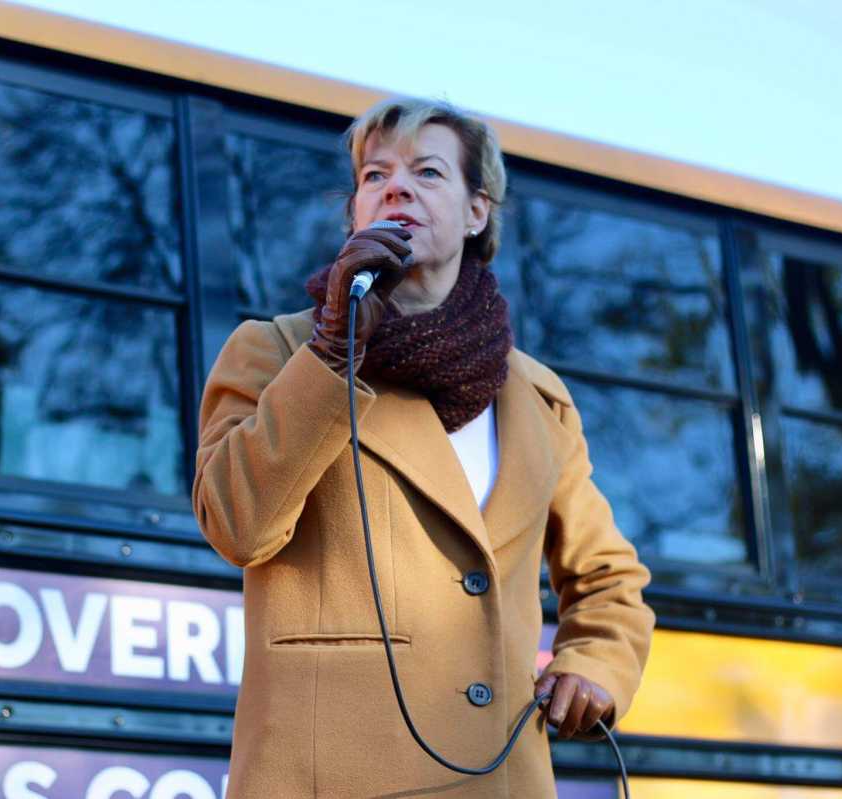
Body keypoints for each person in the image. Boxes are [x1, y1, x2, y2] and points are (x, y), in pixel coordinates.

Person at [192, 97, 654, 798]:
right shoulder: (276, 351)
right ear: (355, 213)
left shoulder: (537, 398)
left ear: (477, 212)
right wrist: (332, 351)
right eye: (374, 175)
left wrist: (595, 663)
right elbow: (236, 525)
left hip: (501, 777)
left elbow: (608, 578)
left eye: (427, 172)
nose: (396, 188)